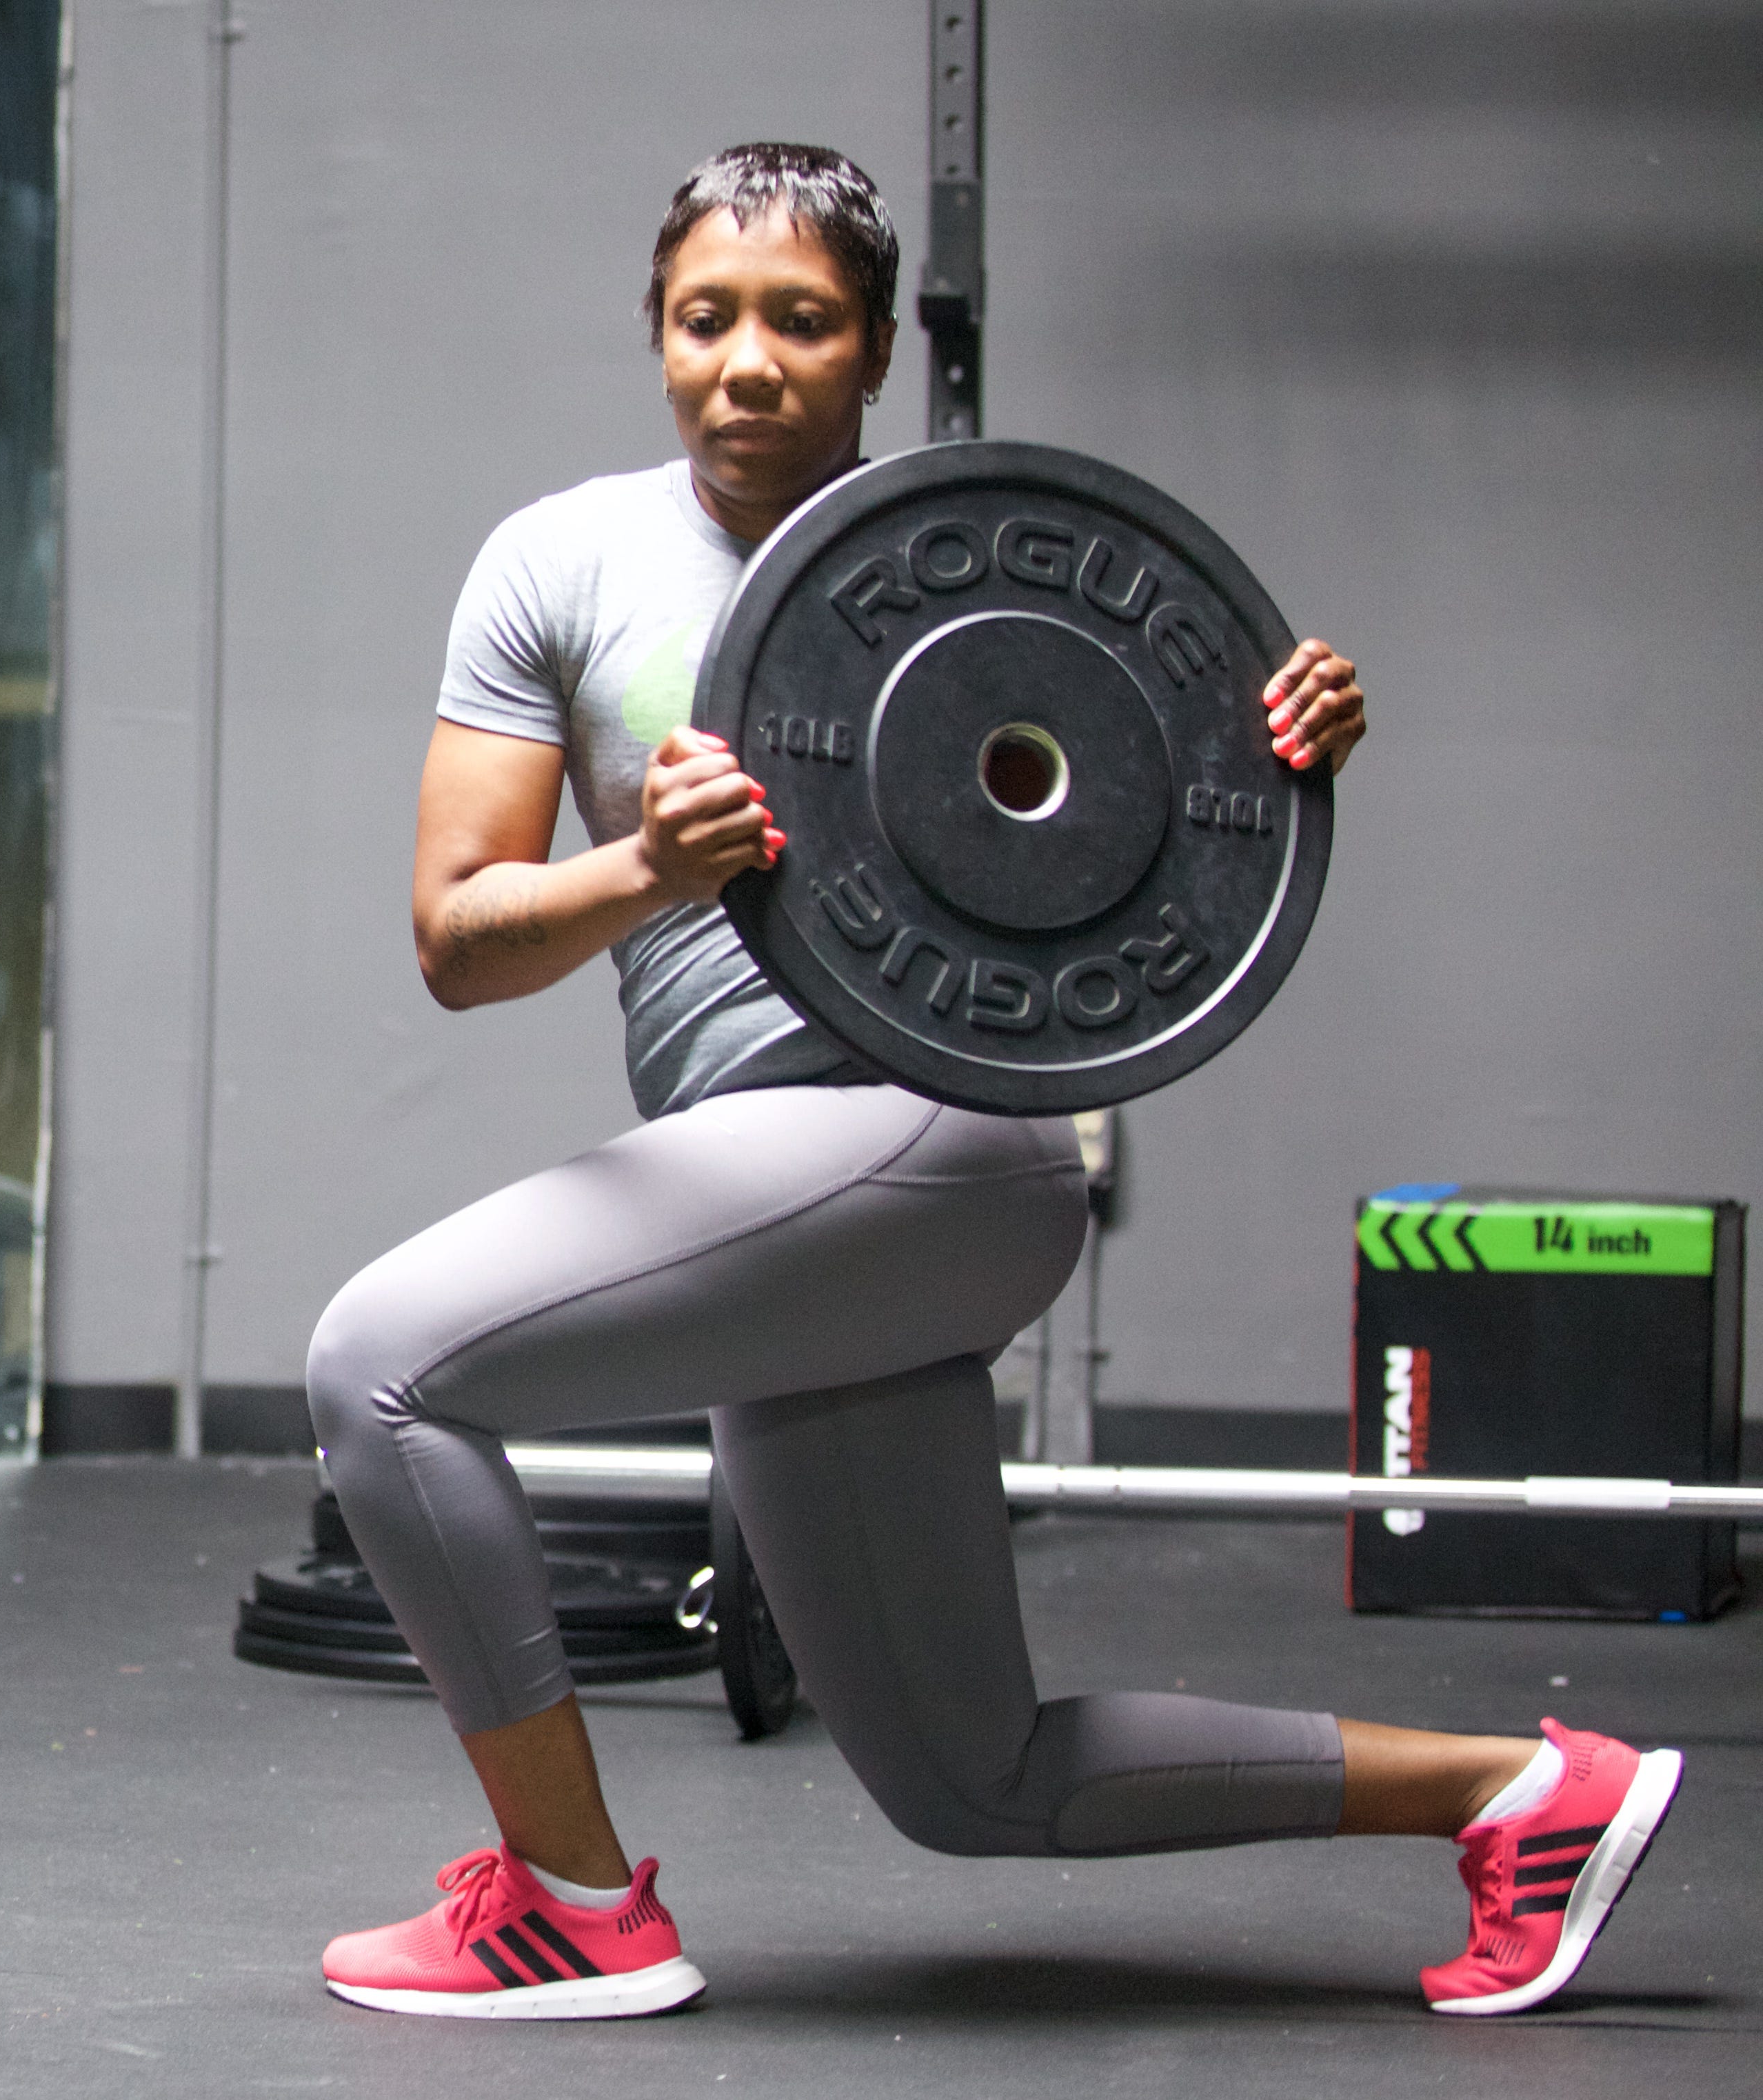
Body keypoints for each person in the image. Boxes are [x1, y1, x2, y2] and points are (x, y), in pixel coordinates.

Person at [302, 143, 1681, 2023]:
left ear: (870, 350)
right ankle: (1527, 1795)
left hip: (933, 1142)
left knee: (373, 1364)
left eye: (800, 321)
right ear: (655, 332)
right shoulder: (557, 562)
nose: (747, 363)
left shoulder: (997, 570)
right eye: (706, 319)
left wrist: (1284, 729)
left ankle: (564, 1900)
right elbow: (460, 936)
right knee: (970, 1775)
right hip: (760, 1198)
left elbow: (1190, 778)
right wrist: (649, 867)